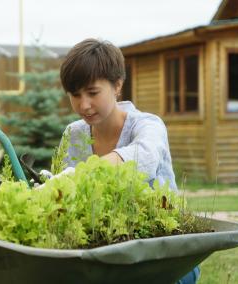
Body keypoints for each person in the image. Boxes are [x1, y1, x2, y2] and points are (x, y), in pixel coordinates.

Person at [57, 38, 199, 284]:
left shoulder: (147, 125)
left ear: (117, 85)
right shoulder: (74, 133)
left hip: (167, 252)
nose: (84, 105)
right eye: (75, 95)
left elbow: (144, 157)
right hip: (106, 251)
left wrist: (86, 172)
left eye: (92, 93)